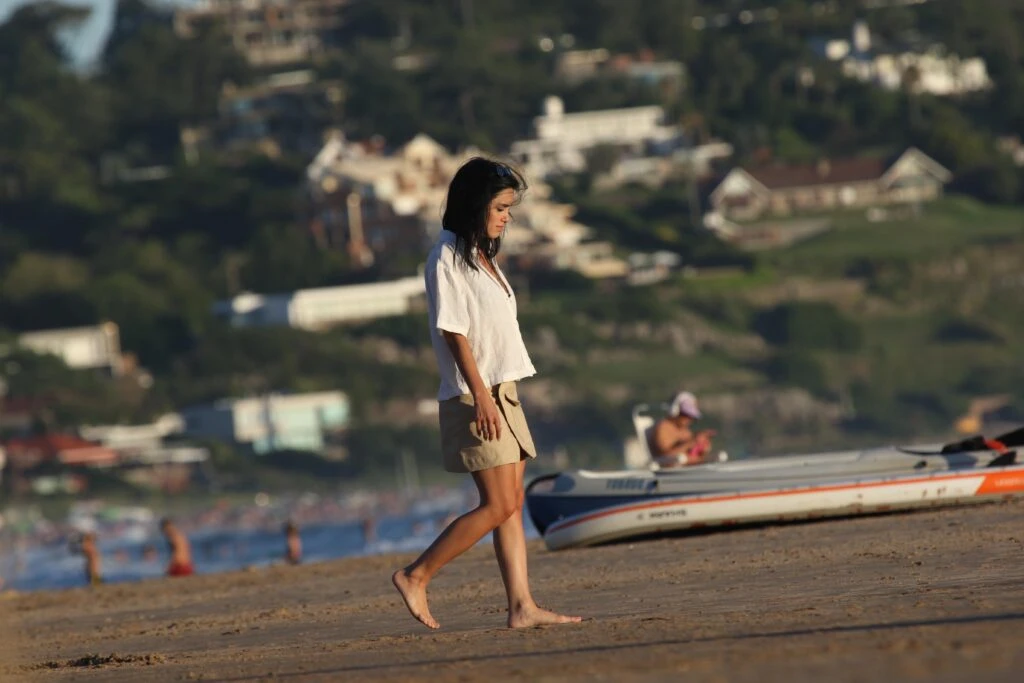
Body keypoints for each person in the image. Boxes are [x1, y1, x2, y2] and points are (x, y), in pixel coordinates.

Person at [392, 157, 582, 631]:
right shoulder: (446, 256)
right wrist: (480, 395)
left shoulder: (481, 255)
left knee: (511, 503)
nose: (507, 216)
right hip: (477, 393)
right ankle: (416, 574)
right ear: (476, 204)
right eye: (500, 206)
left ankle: (521, 606)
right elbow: (454, 333)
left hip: (503, 389)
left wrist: (496, 392)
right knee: (497, 505)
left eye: (510, 208)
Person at [648, 391, 715, 468]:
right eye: (686, 415)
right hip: (672, 471)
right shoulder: (663, 428)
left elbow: (689, 453)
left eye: (691, 416)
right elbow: (666, 456)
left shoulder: (684, 430)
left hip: (688, 469)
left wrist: (702, 447)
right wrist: (692, 441)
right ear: (675, 411)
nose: (689, 419)